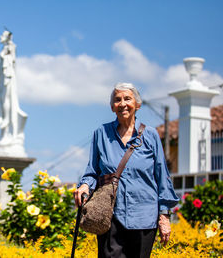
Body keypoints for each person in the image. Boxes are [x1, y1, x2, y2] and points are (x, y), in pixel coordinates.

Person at [74, 83, 178, 258]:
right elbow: (92, 171)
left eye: (127, 98)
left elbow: (162, 177)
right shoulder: (102, 133)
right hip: (110, 216)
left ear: (137, 104)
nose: (122, 103)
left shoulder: (150, 136)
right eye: (117, 99)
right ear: (112, 107)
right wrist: (85, 185)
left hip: (144, 217)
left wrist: (164, 216)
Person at [0, 30, 27, 146]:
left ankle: (5, 121)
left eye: (3, 35)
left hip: (8, 78)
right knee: (0, 99)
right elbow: (1, 66)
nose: (0, 36)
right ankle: (2, 118)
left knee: (6, 100)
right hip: (2, 77)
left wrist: (9, 48)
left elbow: (10, 62)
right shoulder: (4, 48)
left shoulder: (10, 47)